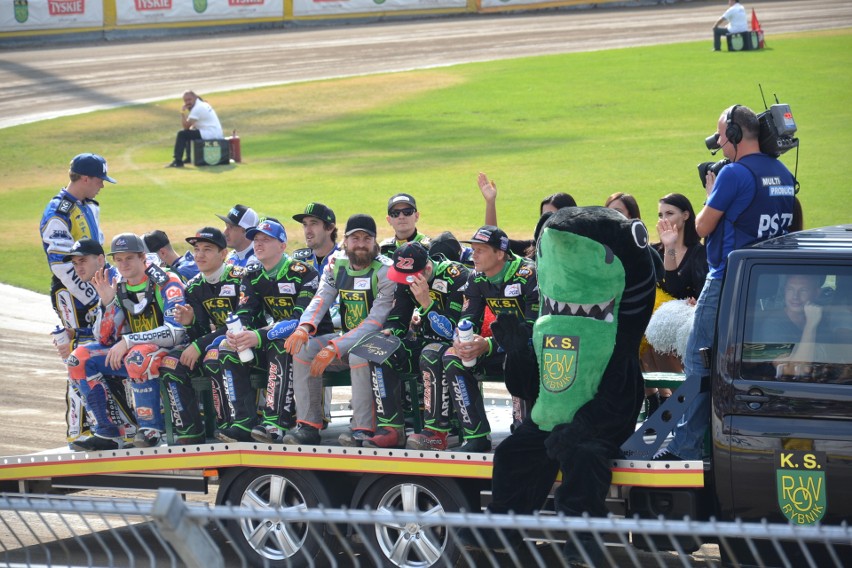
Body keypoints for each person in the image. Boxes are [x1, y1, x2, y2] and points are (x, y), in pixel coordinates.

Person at [656, 104, 795, 460]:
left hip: (726, 281)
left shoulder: (733, 174)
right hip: (768, 285)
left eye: (721, 134)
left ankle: (684, 448)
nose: (718, 142)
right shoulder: (781, 173)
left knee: (698, 360)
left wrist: (710, 193)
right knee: (753, 364)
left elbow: (702, 227)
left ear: (734, 134)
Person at [282, 214, 396, 446]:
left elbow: (375, 321)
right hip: (347, 338)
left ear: (375, 242)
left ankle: (363, 428)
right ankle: (308, 425)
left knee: (358, 354)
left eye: (367, 238)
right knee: (303, 349)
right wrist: (304, 327)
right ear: (345, 241)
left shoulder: (385, 270)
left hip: (384, 340)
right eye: (355, 238)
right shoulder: (337, 264)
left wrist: (335, 347)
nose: (361, 244)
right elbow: (321, 298)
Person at [214, 220, 330, 443]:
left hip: (311, 337)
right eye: (256, 239)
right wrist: (238, 332)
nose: (258, 244)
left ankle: (276, 423)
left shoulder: (305, 273)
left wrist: (258, 336)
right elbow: (244, 311)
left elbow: (299, 320)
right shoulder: (253, 274)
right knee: (228, 348)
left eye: (266, 240)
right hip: (270, 335)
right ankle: (242, 422)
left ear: (283, 245)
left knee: (282, 343)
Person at [68, 233, 187, 450]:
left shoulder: (166, 281)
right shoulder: (118, 283)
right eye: (119, 259)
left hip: (173, 351)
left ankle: (151, 429)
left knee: (137, 356)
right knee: (80, 359)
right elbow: (105, 338)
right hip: (137, 352)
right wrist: (108, 303)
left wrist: (129, 341)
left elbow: (176, 333)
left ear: (143, 257)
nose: (123, 264)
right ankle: (108, 432)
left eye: (129, 258)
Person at [40, 153, 117, 448]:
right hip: (72, 292)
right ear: (85, 178)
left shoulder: (88, 206)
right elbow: (60, 264)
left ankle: (94, 424)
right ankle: (77, 430)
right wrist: (91, 295)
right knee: (77, 354)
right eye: (99, 180)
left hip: (90, 286)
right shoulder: (58, 210)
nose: (102, 185)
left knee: (91, 352)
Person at [362, 242, 470, 449]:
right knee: (379, 349)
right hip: (423, 343)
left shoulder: (458, 276)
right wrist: (390, 332)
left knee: (431, 353)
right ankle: (391, 429)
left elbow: (452, 331)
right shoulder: (406, 277)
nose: (405, 282)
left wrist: (427, 303)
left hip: (456, 348)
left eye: (409, 277)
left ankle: (436, 433)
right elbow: (398, 317)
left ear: (427, 269)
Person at [441, 225, 539, 452]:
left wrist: (488, 344)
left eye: (481, 250)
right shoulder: (476, 278)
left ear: (500, 253)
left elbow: (534, 327)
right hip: (498, 346)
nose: (473, 254)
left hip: (533, 348)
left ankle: (522, 430)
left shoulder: (529, 275)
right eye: (473, 249)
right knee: (452, 356)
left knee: (515, 356)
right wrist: (463, 342)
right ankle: (476, 437)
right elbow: (467, 319)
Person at [159, 227, 244, 444]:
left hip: (246, 344)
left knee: (214, 355)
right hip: (213, 344)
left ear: (223, 254)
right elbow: (202, 332)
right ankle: (190, 431)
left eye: (207, 249)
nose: (199, 255)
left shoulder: (240, 279)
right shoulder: (194, 286)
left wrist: (198, 345)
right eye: (196, 249)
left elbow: (242, 324)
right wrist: (191, 323)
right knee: (170, 362)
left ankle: (229, 426)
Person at [59, 239, 135, 450]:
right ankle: (112, 430)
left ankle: (109, 432)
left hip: (141, 351)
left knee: (79, 359)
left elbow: (106, 337)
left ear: (100, 259)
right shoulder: (103, 280)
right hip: (129, 348)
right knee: (80, 356)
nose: (78, 267)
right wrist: (76, 333)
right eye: (74, 263)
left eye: (82, 261)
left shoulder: (113, 282)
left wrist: (109, 302)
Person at [642, 194, 709, 413]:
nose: (664, 219)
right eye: (660, 215)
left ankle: (680, 403)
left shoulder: (699, 253)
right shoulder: (656, 251)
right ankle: (665, 402)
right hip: (661, 322)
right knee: (652, 340)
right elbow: (663, 286)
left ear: (686, 215)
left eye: (670, 213)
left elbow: (676, 288)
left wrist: (670, 246)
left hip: (689, 325)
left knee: (660, 339)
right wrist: (668, 246)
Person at [477, 171, 577, 257]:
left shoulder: (583, 249)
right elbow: (495, 240)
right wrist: (490, 202)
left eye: (552, 216)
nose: (546, 221)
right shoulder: (533, 249)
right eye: (544, 216)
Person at [758, 274, 827, 377]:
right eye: (790, 289)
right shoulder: (773, 324)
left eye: (803, 290)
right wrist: (811, 325)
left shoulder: (822, 318)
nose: (795, 296)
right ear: (784, 291)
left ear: (816, 293)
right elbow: (794, 371)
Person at [167, 91, 223, 168]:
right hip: (214, 132)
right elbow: (190, 127)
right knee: (189, 133)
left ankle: (178, 161)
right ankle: (189, 158)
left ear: (195, 98)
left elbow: (186, 126)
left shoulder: (197, 108)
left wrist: (182, 112)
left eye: (189, 99)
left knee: (182, 134)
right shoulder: (203, 104)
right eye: (185, 101)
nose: (187, 102)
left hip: (210, 133)